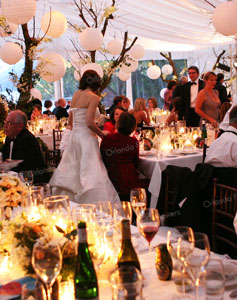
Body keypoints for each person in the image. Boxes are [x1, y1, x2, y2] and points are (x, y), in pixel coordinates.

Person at [49, 70, 120, 205]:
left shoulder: (76, 95)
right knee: (92, 173)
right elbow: (88, 123)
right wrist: (101, 134)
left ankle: (70, 205)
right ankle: (94, 206)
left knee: (72, 172)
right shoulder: (93, 97)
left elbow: (70, 122)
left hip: (74, 138)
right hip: (87, 139)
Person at [100, 112, 149, 201]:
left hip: (111, 180)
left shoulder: (106, 139)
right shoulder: (133, 142)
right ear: (133, 127)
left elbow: (103, 158)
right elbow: (136, 163)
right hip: (130, 182)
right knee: (152, 180)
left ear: (118, 124)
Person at [2, 110, 47, 182]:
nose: (5, 126)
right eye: (5, 123)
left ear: (19, 126)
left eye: (9, 123)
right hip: (13, 178)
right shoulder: (9, 138)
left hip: (31, 180)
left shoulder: (28, 140)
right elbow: (4, 156)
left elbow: (23, 165)